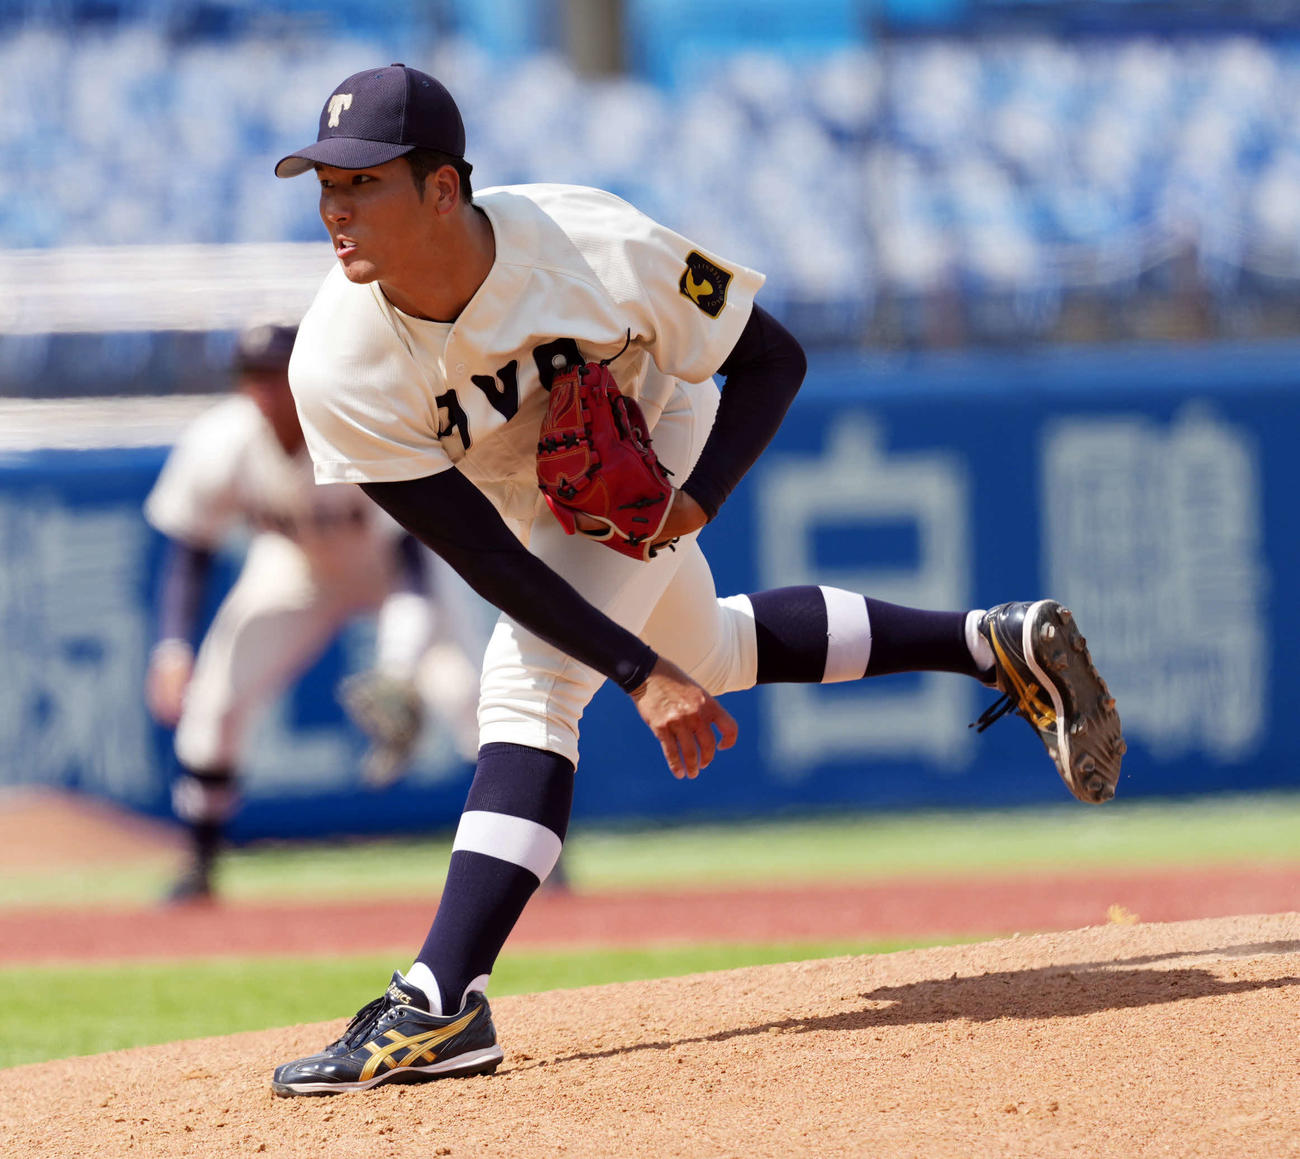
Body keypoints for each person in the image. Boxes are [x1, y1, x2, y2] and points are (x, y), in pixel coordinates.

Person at [267, 64, 1125, 1097]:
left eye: (362, 182)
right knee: (709, 653)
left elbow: (772, 358)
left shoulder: (591, 245)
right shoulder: (337, 364)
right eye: (326, 183)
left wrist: (696, 501)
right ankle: (990, 643)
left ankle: (440, 1000)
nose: (335, 207)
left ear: (443, 187)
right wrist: (646, 670)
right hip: (524, 503)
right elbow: (487, 558)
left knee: (530, 687)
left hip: (652, 432)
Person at [144, 322, 476, 902]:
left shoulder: (358, 425)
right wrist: (172, 648)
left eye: (276, 374)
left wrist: (399, 666)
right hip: (296, 568)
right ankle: (199, 865)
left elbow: (413, 568)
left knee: (472, 696)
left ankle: (539, 858)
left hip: (396, 571)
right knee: (216, 702)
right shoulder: (221, 440)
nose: (265, 390)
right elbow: (191, 552)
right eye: (254, 376)